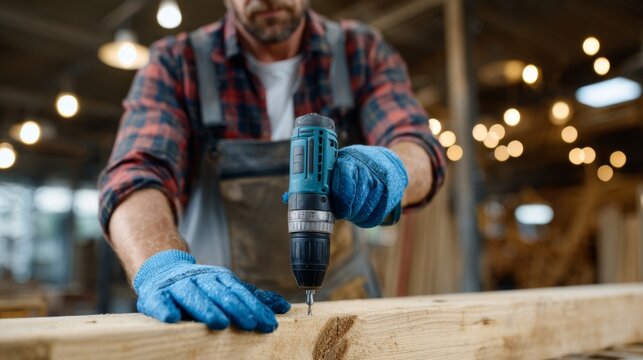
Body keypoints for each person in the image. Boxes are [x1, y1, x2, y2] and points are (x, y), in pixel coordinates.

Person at [98, 0, 446, 333]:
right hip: (220, 312)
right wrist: (162, 264)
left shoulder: (359, 50)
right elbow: (135, 174)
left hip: (342, 308)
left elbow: (415, 142)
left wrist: (394, 172)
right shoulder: (177, 61)